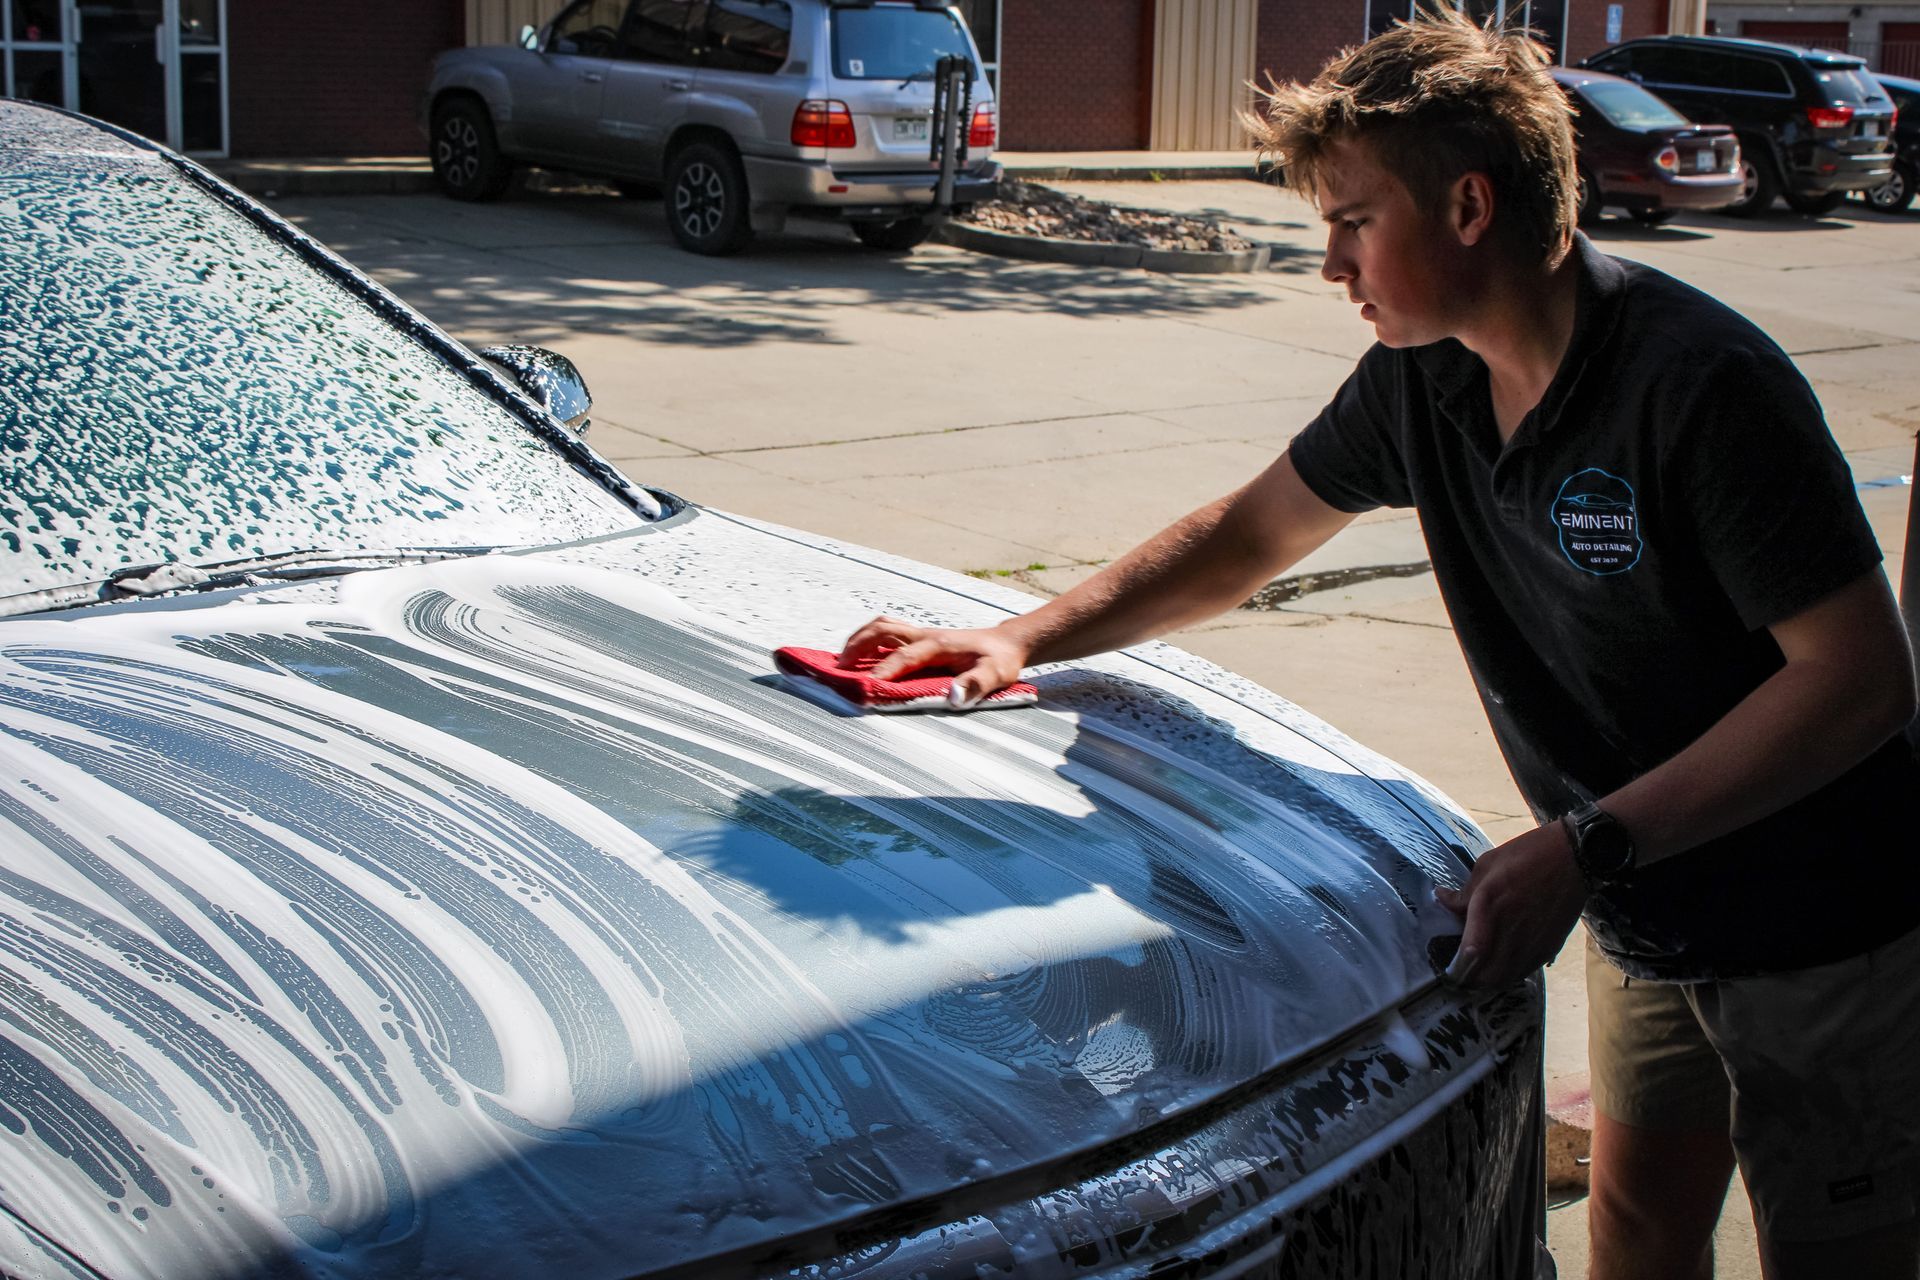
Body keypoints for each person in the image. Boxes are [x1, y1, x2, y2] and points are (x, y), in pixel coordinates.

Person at [839, 11, 1920, 1280]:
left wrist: (1586, 842)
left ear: (1469, 206)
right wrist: (1020, 630)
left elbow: (1859, 680)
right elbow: (1248, 534)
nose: (1330, 263)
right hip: (1650, 911)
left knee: (1836, 1252)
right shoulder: (1427, 378)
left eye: (1354, 221)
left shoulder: (1699, 390)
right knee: (1635, 1229)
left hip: (1824, 929)